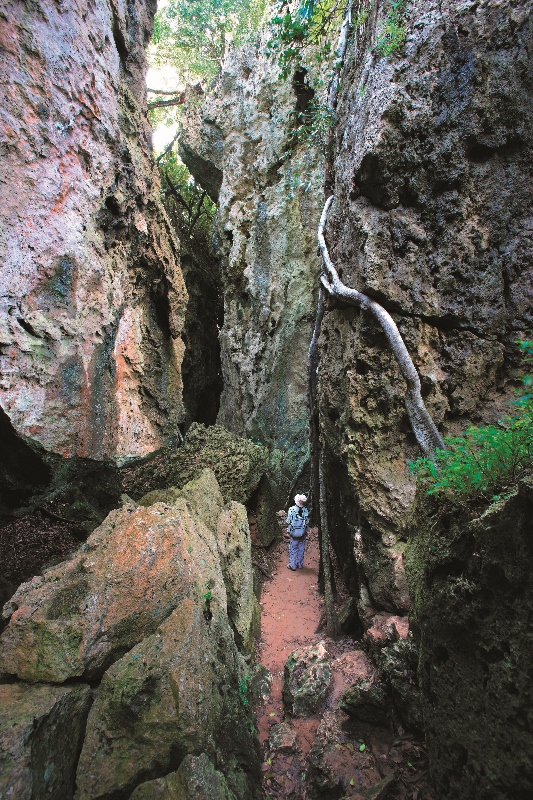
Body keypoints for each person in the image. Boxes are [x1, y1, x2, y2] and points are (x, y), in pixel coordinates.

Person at [286, 494, 309, 570]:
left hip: (294, 533)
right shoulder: (305, 510)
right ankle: (299, 564)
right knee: (301, 548)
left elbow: (289, 521)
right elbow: (306, 523)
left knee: (293, 548)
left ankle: (292, 565)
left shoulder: (291, 509)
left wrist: (288, 531)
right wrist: (306, 531)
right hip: (302, 532)